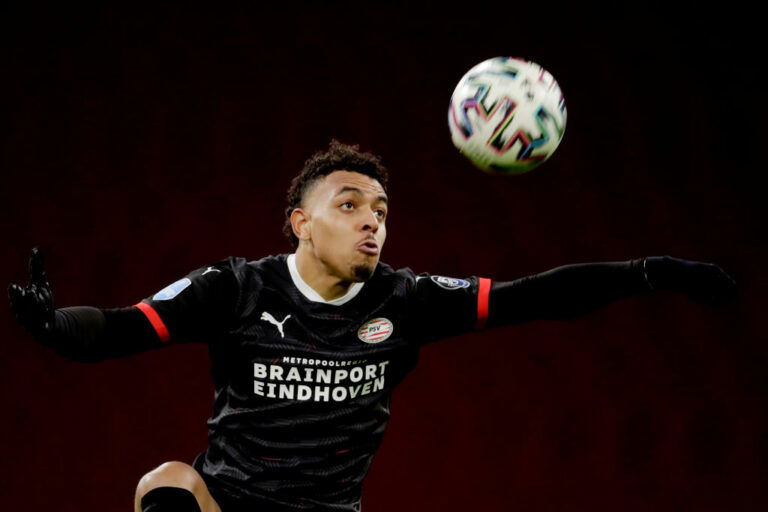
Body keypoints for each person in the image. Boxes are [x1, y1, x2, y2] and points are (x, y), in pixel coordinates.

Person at [8, 141, 736, 512]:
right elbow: (118, 328)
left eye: (382, 210)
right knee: (163, 483)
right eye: (351, 205)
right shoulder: (234, 287)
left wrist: (650, 271)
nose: (372, 222)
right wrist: (53, 329)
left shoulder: (404, 301)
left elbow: (532, 298)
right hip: (225, 502)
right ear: (301, 222)